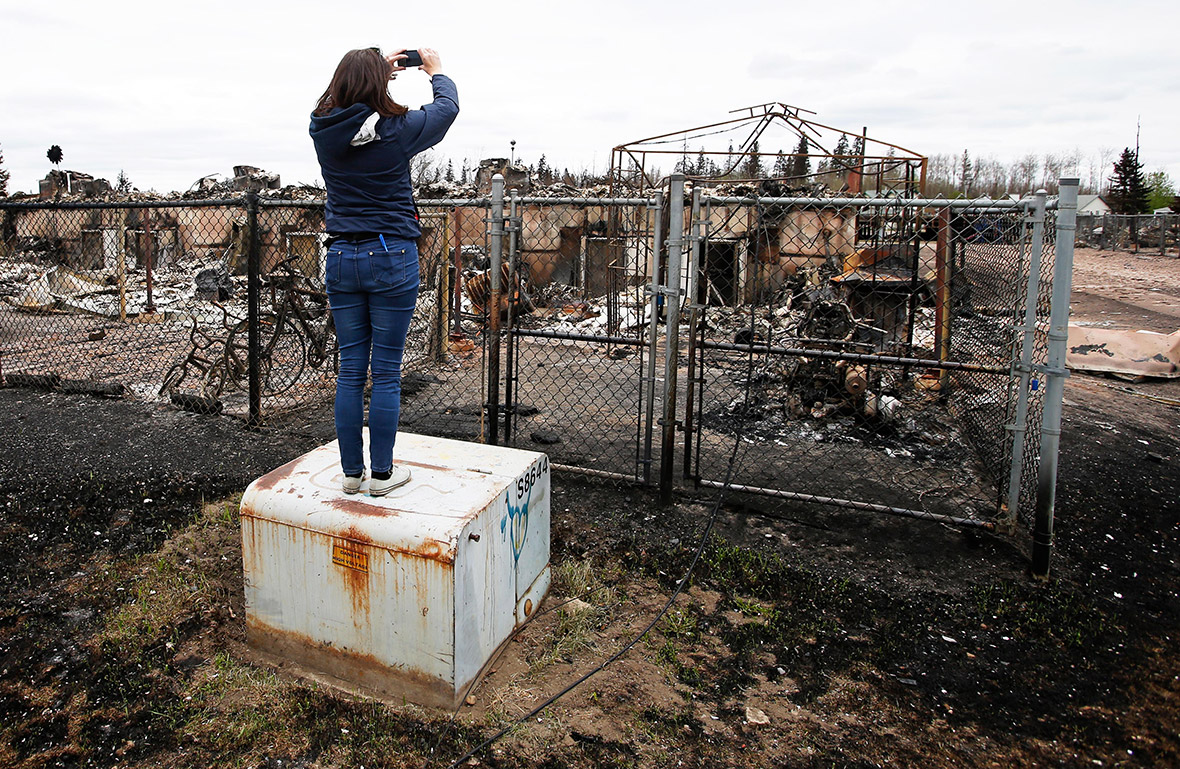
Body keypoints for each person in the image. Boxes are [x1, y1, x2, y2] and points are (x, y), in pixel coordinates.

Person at [310, 47, 458, 496]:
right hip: (391, 253)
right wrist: (435, 71)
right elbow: (447, 109)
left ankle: (351, 474)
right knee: (387, 371)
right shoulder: (395, 130)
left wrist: (372, 72)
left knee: (351, 369)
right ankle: (382, 476)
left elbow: (328, 102)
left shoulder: (322, 129)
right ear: (380, 83)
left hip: (340, 257)